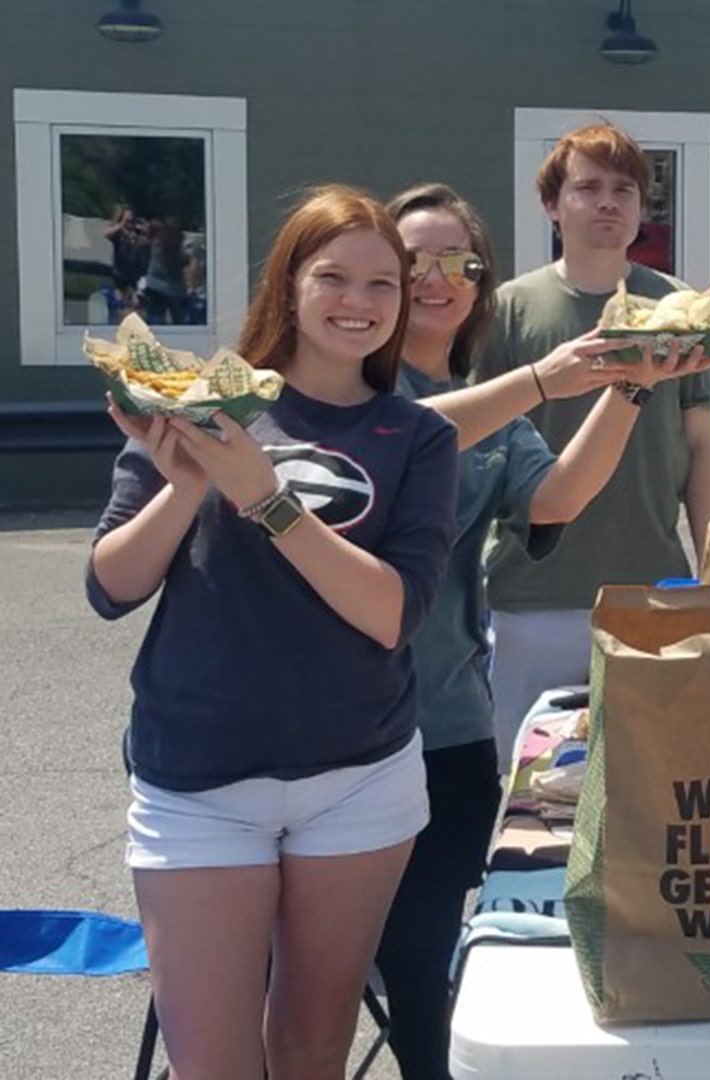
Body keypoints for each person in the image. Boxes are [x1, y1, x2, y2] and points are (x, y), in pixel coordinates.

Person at [87, 185, 458, 1079]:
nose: (359, 303)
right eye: (333, 276)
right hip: (198, 782)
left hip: (357, 781)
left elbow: (393, 613)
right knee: (213, 1066)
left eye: (383, 284)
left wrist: (264, 494)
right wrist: (184, 479)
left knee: (308, 1052)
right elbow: (111, 587)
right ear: (287, 285)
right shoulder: (194, 399)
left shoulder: (418, 437)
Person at [374, 181, 710, 1080]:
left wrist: (632, 389)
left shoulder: (485, 400)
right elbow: (389, 440)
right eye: (415, 261)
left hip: (443, 722)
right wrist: (540, 379)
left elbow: (557, 492)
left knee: (424, 963)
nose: (438, 279)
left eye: (459, 261)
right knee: (316, 979)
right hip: (328, 731)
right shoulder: (343, 390)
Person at [474, 122, 710, 762]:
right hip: (531, 595)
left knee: (649, 780)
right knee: (525, 793)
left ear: (643, 208)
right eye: (587, 187)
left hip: (650, 588)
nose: (608, 202)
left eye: (625, 189)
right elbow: (480, 441)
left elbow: (700, 438)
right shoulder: (508, 308)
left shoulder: (680, 308)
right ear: (552, 205)